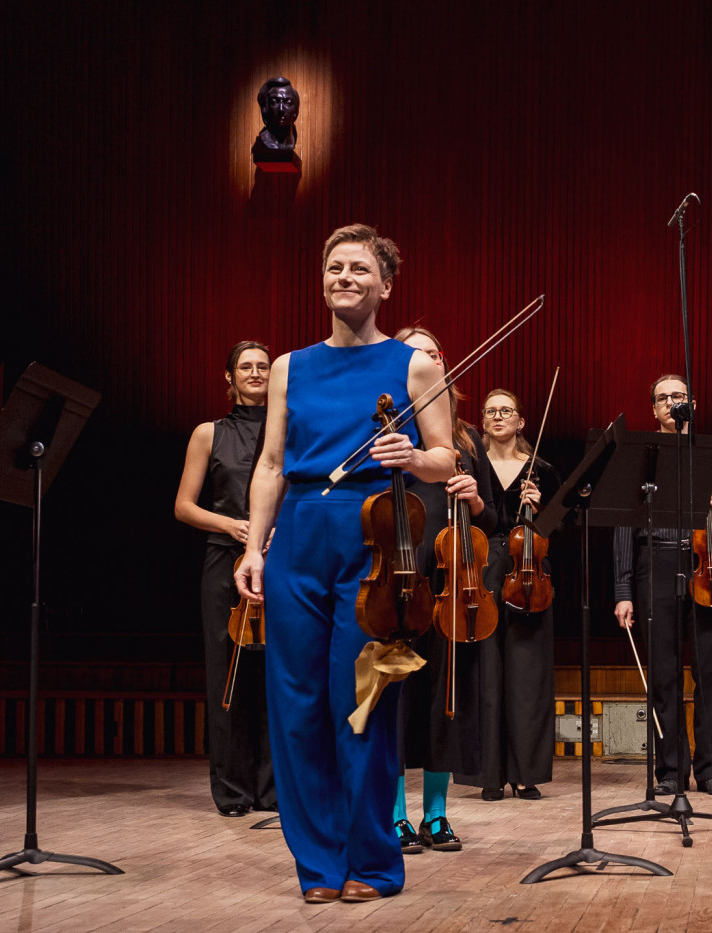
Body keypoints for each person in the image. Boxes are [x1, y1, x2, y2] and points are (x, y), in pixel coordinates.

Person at [234, 225, 456, 903]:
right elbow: (271, 464)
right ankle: (319, 866)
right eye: (335, 267)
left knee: (362, 703)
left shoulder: (415, 365)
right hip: (300, 533)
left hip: (373, 537)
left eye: (360, 268)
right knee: (295, 705)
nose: (345, 277)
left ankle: (374, 862)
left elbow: (446, 457)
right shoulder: (289, 367)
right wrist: (253, 547)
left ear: (385, 285)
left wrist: (412, 457)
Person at [391, 324, 496, 855]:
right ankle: (393, 815)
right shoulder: (385, 432)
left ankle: (435, 814)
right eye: (413, 354)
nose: (426, 361)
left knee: (444, 703)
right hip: (395, 583)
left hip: (451, 586)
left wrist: (475, 500)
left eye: (433, 352)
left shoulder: (466, 439)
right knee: (393, 701)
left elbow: (494, 521)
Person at [613, 374, 712, 795]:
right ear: (653, 409)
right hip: (656, 562)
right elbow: (625, 524)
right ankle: (670, 770)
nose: (671, 402)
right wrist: (623, 591)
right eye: (663, 398)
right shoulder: (642, 456)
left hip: (708, 564)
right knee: (664, 675)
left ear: (693, 404)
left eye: (679, 396)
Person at [173, 340, 275, 817]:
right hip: (224, 561)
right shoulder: (207, 433)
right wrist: (232, 525)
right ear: (229, 378)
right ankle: (233, 790)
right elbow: (184, 506)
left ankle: (273, 789)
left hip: (277, 559)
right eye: (246, 367)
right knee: (228, 675)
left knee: (275, 675)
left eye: (263, 367)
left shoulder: (288, 431)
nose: (255, 373)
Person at [456, 388, 562, 801]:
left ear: (521, 422)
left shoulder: (543, 470)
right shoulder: (469, 464)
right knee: (483, 671)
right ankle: (488, 773)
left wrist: (542, 507)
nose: (497, 416)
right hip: (482, 565)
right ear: (482, 422)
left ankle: (525, 773)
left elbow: (561, 528)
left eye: (506, 411)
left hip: (528, 570)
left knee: (527, 674)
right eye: (490, 411)